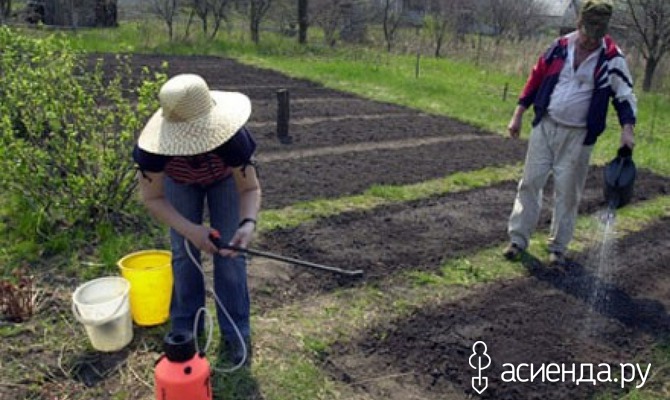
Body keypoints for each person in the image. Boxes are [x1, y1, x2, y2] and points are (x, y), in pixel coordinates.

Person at [133, 73, 261, 366]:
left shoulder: (233, 139)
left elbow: (250, 188)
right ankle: (185, 329)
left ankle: (236, 331)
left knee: (231, 254)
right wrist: (191, 230)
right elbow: (153, 197)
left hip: (224, 182)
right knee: (183, 252)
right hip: (178, 184)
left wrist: (247, 224)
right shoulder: (150, 151)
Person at [502, 0, 636, 266]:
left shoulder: (612, 58)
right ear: (579, 25)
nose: (589, 40)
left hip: (578, 136)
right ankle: (517, 239)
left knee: (568, 193)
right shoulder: (560, 47)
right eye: (587, 33)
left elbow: (624, 95)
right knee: (530, 183)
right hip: (546, 125)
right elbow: (536, 77)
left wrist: (627, 130)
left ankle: (558, 248)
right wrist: (518, 113)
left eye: (596, 35)